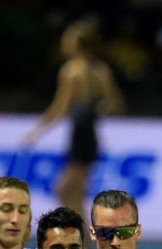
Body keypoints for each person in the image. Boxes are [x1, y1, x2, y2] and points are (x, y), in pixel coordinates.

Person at [22, 19, 123, 223]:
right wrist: (95, 110)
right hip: (89, 131)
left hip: (80, 132)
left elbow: (59, 107)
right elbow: (115, 103)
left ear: (76, 44)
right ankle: (84, 237)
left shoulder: (71, 70)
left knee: (64, 189)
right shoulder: (101, 70)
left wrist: (36, 132)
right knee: (74, 190)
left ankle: (84, 236)